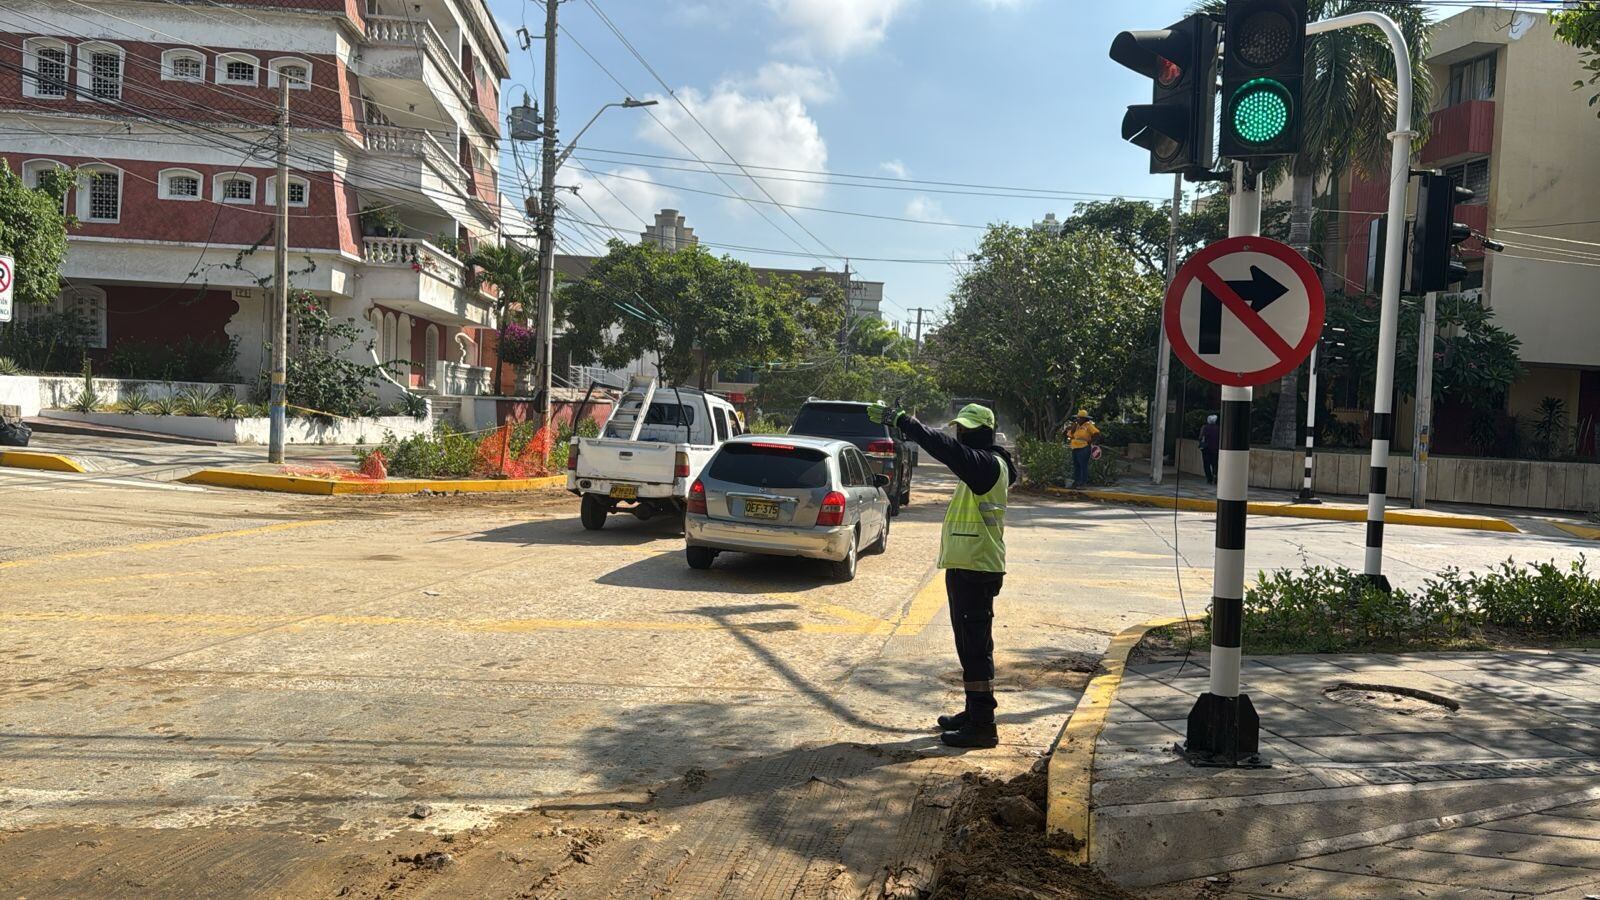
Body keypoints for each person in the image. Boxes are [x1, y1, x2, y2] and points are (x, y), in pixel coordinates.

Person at [867, 401, 1017, 748]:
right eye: (958, 429)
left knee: (976, 649)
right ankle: (974, 711)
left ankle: (983, 724)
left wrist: (906, 422)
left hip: (977, 567)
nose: (960, 435)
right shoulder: (982, 465)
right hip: (969, 565)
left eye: (966, 430)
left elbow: (945, 448)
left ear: (982, 433)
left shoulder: (987, 466)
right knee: (970, 646)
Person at [1062, 410, 1100, 488]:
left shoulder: (1088, 425)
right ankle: (1077, 482)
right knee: (1076, 465)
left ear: (1084, 419)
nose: (1077, 419)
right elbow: (1070, 435)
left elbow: (1096, 433)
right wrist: (1073, 428)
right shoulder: (1077, 426)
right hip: (1075, 447)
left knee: (1083, 465)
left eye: (1079, 418)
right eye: (1077, 418)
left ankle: (1083, 483)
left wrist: (1090, 442)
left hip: (1084, 448)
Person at [1200, 414, 1220, 485]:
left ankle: (1209, 478)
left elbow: (1200, 437)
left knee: (1206, 464)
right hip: (1215, 449)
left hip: (1206, 449)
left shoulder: (1204, 427)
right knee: (1215, 464)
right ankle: (1215, 475)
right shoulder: (1218, 428)